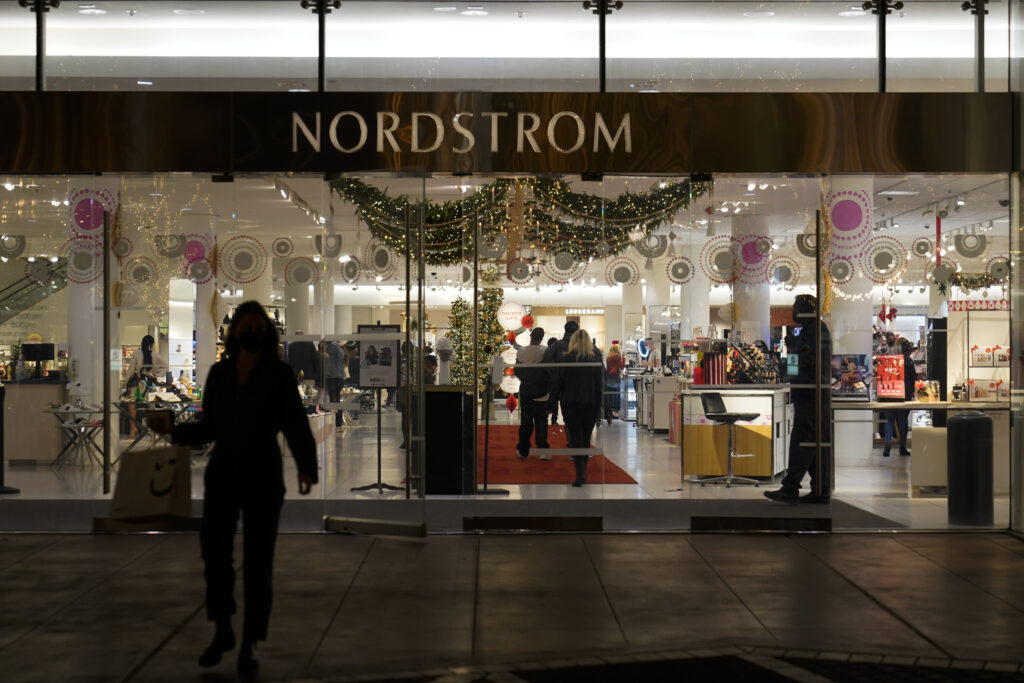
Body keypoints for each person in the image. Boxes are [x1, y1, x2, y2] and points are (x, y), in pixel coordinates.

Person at [147, 301, 317, 672]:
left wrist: (307, 468)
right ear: (235, 332)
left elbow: (294, 423)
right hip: (223, 472)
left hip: (263, 474)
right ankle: (223, 628)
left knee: (259, 562)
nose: (252, 332)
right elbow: (211, 426)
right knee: (214, 555)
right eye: (246, 326)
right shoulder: (221, 375)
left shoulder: (279, 375)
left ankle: (251, 641)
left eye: (259, 327)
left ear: (268, 334)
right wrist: (174, 432)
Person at [765, 294, 832, 505]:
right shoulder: (807, 331)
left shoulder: (817, 331)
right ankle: (819, 490)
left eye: (796, 307)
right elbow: (795, 366)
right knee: (812, 444)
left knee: (803, 442)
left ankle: (791, 487)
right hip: (806, 394)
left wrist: (794, 349)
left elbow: (809, 362)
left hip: (813, 395)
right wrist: (791, 351)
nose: (793, 311)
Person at [549, 328, 604, 487]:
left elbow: (558, 382)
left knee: (575, 438)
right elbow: (598, 384)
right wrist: (602, 408)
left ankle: (580, 472)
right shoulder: (595, 358)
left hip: (570, 402)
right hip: (590, 403)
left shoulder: (566, 358)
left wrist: (551, 403)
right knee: (585, 439)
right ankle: (582, 471)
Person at [514, 327, 550, 460]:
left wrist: (526, 380)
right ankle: (543, 451)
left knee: (525, 423)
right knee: (541, 422)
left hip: (526, 391)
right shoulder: (545, 351)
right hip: (541, 392)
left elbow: (517, 371)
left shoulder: (521, 351)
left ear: (531, 336)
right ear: (541, 338)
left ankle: (523, 450)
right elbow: (548, 372)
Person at [883, 337, 917, 457]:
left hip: (890, 392)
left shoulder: (889, 359)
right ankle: (902, 447)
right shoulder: (908, 361)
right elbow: (914, 378)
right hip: (904, 394)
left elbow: (883, 374)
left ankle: (887, 446)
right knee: (903, 420)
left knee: (889, 420)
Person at [543, 321, 579, 427]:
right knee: (579, 417)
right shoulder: (582, 346)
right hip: (580, 386)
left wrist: (556, 375)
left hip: (563, 387)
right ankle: (577, 441)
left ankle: (571, 439)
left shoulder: (557, 345)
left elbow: (547, 359)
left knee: (567, 415)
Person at [325, 340, 348, 432]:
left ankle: (335, 424)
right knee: (337, 400)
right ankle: (339, 425)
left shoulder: (329, 349)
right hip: (340, 378)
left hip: (331, 378)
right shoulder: (342, 351)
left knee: (332, 401)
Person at [605, 342, 624, 425]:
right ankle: (615, 414)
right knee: (616, 396)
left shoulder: (608, 357)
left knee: (609, 396)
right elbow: (622, 366)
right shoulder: (617, 357)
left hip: (608, 378)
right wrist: (623, 357)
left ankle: (609, 413)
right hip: (615, 378)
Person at [546, 336, 560, 425]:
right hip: (555, 381)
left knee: (546, 400)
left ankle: (545, 418)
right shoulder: (558, 354)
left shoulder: (546, 353)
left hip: (547, 381)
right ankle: (554, 420)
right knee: (555, 401)